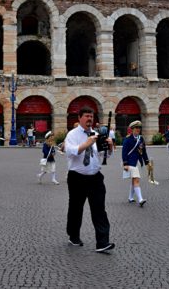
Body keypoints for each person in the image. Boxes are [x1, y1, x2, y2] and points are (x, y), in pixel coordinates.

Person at [64, 107, 114, 253]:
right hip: (77, 177)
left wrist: (109, 147)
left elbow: (104, 156)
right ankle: (73, 236)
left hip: (95, 177)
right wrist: (87, 143)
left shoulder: (96, 134)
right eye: (86, 116)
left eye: (91, 117)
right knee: (76, 208)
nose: (90, 119)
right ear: (79, 118)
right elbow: (71, 152)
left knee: (99, 209)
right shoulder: (72, 135)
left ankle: (102, 242)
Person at [121, 120, 147, 207]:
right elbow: (124, 152)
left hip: (138, 162)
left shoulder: (141, 138)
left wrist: (146, 161)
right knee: (136, 180)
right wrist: (125, 164)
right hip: (130, 162)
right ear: (132, 129)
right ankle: (140, 199)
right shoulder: (127, 139)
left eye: (139, 128)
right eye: (136, 128)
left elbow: (143, 151)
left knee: (134, 181)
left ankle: (130, 197)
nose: (138, 129)